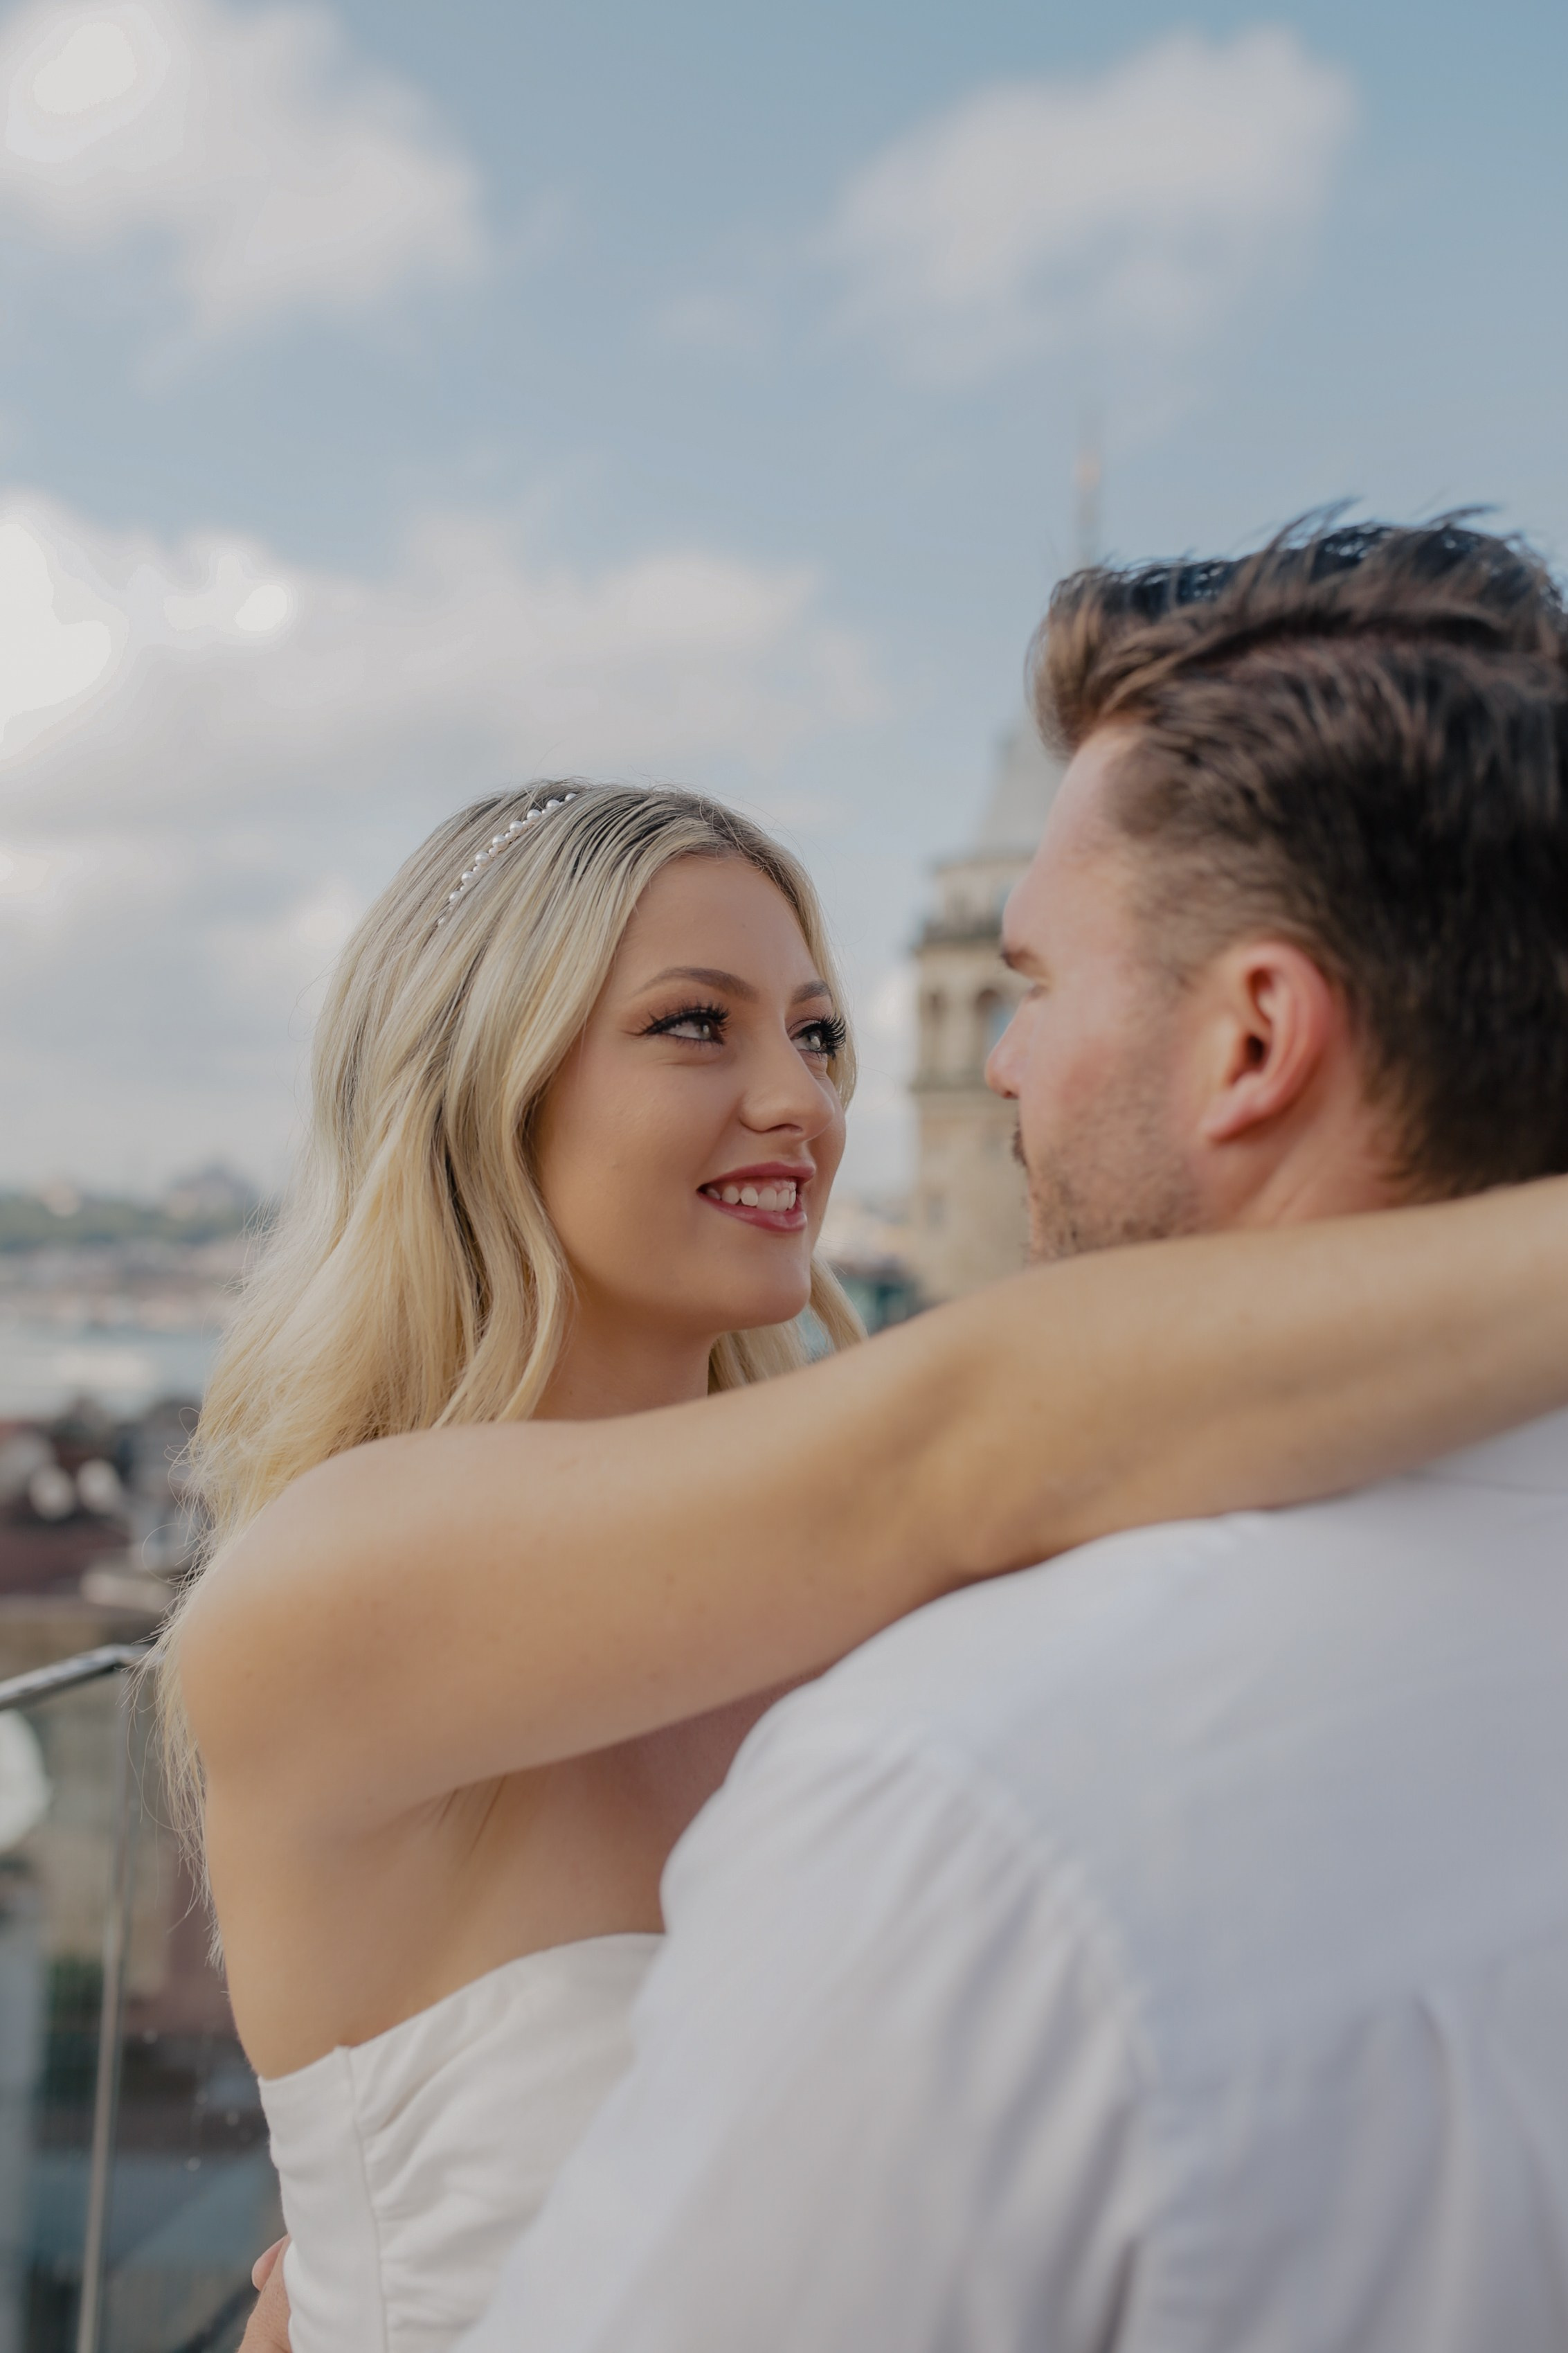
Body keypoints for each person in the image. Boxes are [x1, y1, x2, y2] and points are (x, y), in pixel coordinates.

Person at [192, 727, 1568, 2353]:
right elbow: (968, 1429)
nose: (801, 1102)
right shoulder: (329, 1578)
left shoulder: (882, 1593)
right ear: (475, 1081)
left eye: (819, 1031)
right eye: (693, 1025)